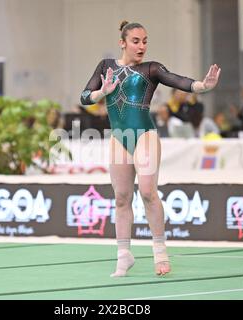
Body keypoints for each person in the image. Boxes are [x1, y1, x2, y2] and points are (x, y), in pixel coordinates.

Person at [80, 21, 220, 277]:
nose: (141, 46)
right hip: (119, 138)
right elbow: (84, 96)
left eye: (145, 41)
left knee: (147, 192)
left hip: (144, 135)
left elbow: (177, 80)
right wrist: (102, 92)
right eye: (135, 41)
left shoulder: (151, 69)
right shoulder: (106, 67)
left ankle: (160, 252)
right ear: (122, 42)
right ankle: (124, 255)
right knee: (121, 197)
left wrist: (202, 86)